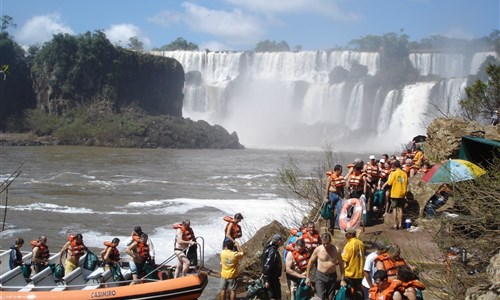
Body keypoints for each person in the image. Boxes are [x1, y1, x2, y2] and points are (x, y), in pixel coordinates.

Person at [306, 232, 345, 300]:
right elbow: (310, 262)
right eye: (324, 243)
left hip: (332, 276)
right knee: (320, 297)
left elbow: (341, 265)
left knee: (331, 297)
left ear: (330, 241)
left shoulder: (336, 250)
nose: (326, 245)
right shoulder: (318, 249)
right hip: (320, 276)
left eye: (327, 243)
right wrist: (307, 277)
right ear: (321, 241)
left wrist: (342, 279)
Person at [382, 160, 408, 230]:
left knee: (394, 209)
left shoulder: (393, 173)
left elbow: (389, 183)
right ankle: (400, 224)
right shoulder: (404, 174)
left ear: (394, 166)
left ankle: (395, 225)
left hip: (395, 193)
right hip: (402, 193)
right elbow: (406, 183)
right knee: (401, 209)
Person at [341, 227, 366, 300]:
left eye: (347, 233)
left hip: (350, 274)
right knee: (358, 291)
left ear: (350, 234)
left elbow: (344, 259)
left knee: (348, 293)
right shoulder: (361, 243)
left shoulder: (349, 245)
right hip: (360, 273)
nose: (345, 235)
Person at [262, 233, 284, 300]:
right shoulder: (272, 251)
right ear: (278, 241)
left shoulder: (267, 247)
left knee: (270, 295)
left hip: (270, 276)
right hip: (272, 277)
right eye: (281, 240)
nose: (282, 242)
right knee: (274, 295)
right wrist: (266, 280)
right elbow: (267, 265)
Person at [324, 165, 345, 232]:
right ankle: (331, 226)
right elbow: (327, 188)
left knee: (340, 210)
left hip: (338, 195)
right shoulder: (330, 178)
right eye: (340, 170)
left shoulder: (340, 177)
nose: (341, 172)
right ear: (337, 170)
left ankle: (339, 225)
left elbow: (341, 187)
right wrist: (326, 197)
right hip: (331, 195)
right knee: (331, 211)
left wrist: (343, 195)